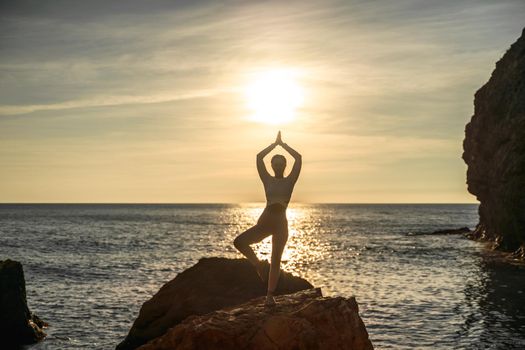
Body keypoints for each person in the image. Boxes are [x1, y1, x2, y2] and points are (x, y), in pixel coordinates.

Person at [233, 131, 302, 306]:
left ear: (284, 165)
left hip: (281, 223)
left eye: (280, 164)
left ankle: (269, 296)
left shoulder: (291, 180)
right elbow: (258, 157)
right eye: (275, 163)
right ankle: (257, 264)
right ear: (272, 165)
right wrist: (274, 145)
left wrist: (283, 145)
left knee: (276, 259)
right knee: (239, 242)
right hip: (265, 220)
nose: (278, 166)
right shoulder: (267, 179)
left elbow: (299, 158)